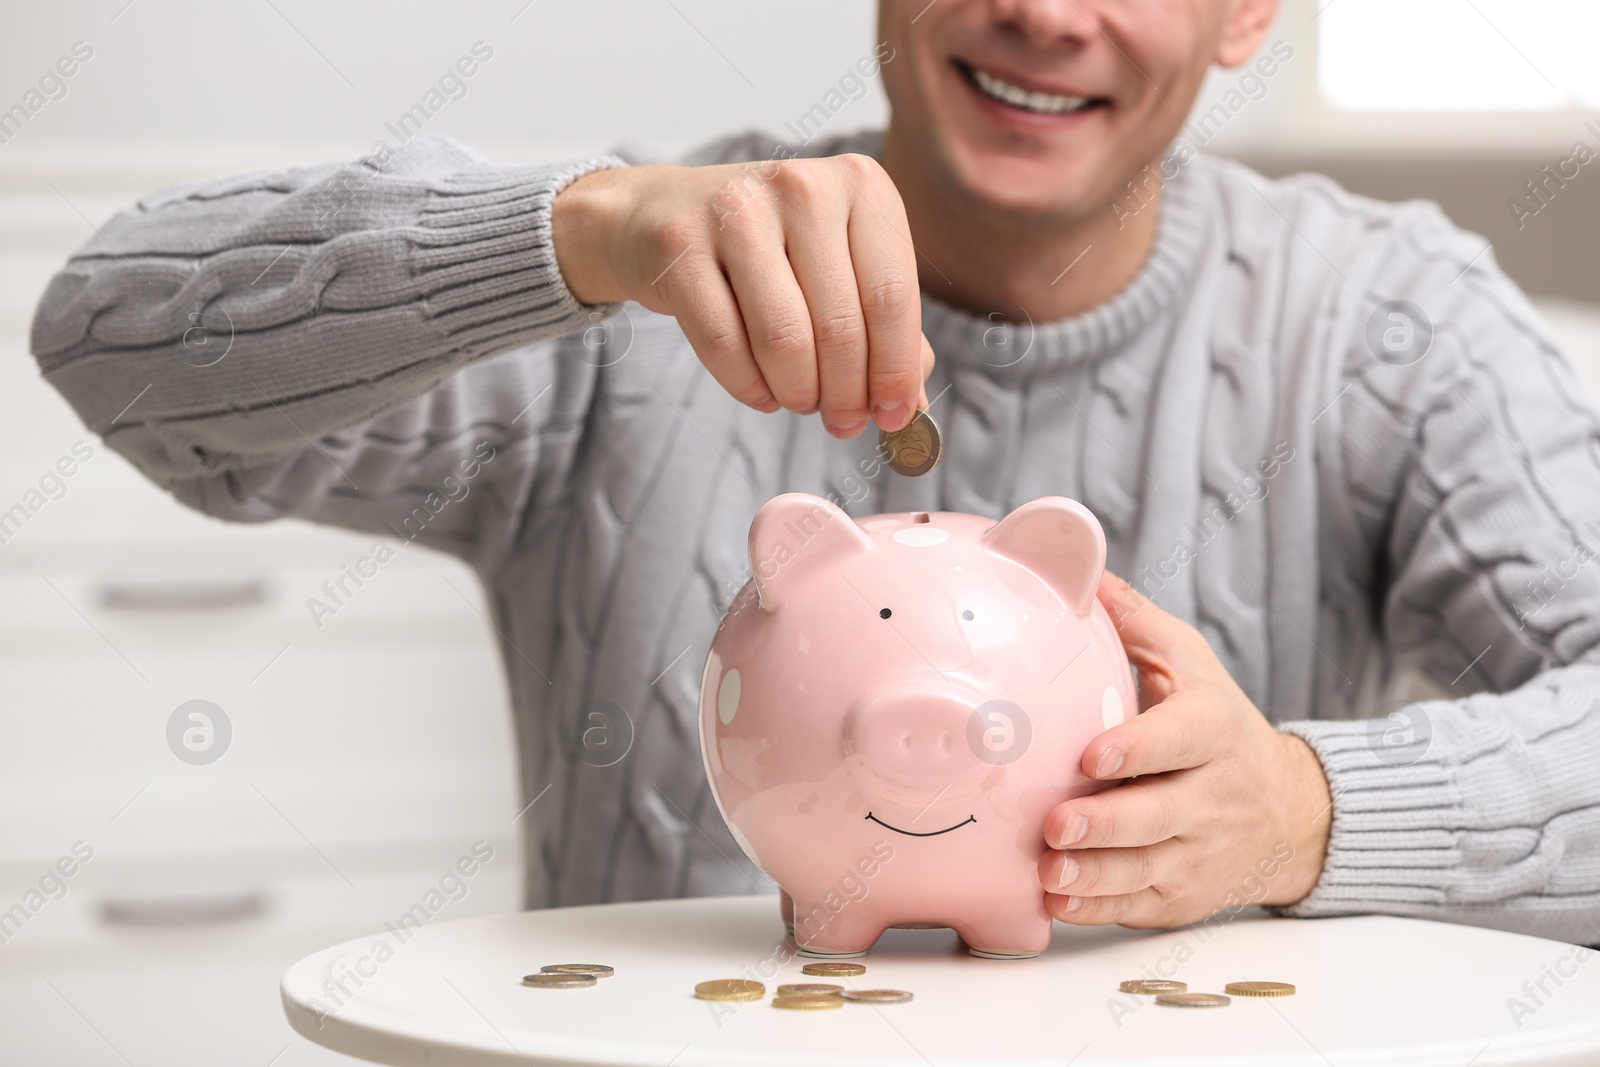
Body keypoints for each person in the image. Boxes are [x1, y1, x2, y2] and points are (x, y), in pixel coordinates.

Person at [28, 0, 1600, 948]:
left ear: (1248, 9)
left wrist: (1310, 813)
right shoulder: (625, 300)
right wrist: (557, 235)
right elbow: (107, 344)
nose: (1048, 10)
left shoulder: (1382, 323)